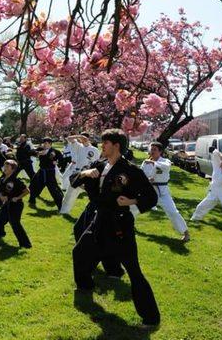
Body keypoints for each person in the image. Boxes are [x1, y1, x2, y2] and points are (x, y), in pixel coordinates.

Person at [71, 129, 160, 327]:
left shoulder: (130, 171)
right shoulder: (99, 166)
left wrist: (130, 201)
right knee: (79, 252)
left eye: (106, 143)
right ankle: (85, 286)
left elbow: (151, 198)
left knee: (134, 271)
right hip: (99, 220)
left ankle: (151, 318)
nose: (102, 146)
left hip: (120, 225)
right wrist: (86, 172)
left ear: (116, 145)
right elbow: (74, 180)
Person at [138, 142, 190, 242]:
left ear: (160, 152)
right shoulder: (145, 162)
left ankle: (186, 233)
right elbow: (140, 175)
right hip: (149, 192)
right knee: (134, 206)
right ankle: (127, 224)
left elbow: (166, 166)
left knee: (173, 212)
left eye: (154, 150)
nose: (152, 151)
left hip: (163, 193)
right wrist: (147, 180)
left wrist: (153, 163)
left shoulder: (165, 161)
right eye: (151, 149)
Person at [0, 160, 32, 248]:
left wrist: (17, 198)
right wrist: (1, 196)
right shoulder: (2, 179)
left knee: (14, 223)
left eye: (7, 167)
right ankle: (0, 235)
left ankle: (26, 244)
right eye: (4, 166)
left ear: (13, 169)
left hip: (16, 205)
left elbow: (27, 191)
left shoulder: (16, 180)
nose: (5, 168)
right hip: (7, 204)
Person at [61, 134, 100, 214]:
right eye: (81, 138)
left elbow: (98, 162)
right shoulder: (78, 146)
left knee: (93, 195)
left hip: (88, 175)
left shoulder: (95, 150)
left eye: (85, 138)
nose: (83, 139)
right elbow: (69, 138)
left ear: (89, 139)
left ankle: (96, 212)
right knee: (69, 194)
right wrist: (78, 136)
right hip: (78, 174)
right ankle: (64, 211)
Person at [29, 137, 63, 210]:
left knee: (53, 189)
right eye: (44, 143)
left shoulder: (55, 151)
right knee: (34, 185)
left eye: (46, 143)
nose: (44, 144)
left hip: (50, 172)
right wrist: (38, 153)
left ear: (50, 144)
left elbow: (62, 159)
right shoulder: (41, 149)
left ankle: (60, 206)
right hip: (41, 171)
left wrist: (57, 163)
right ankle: (32, 201)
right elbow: (30, 152)